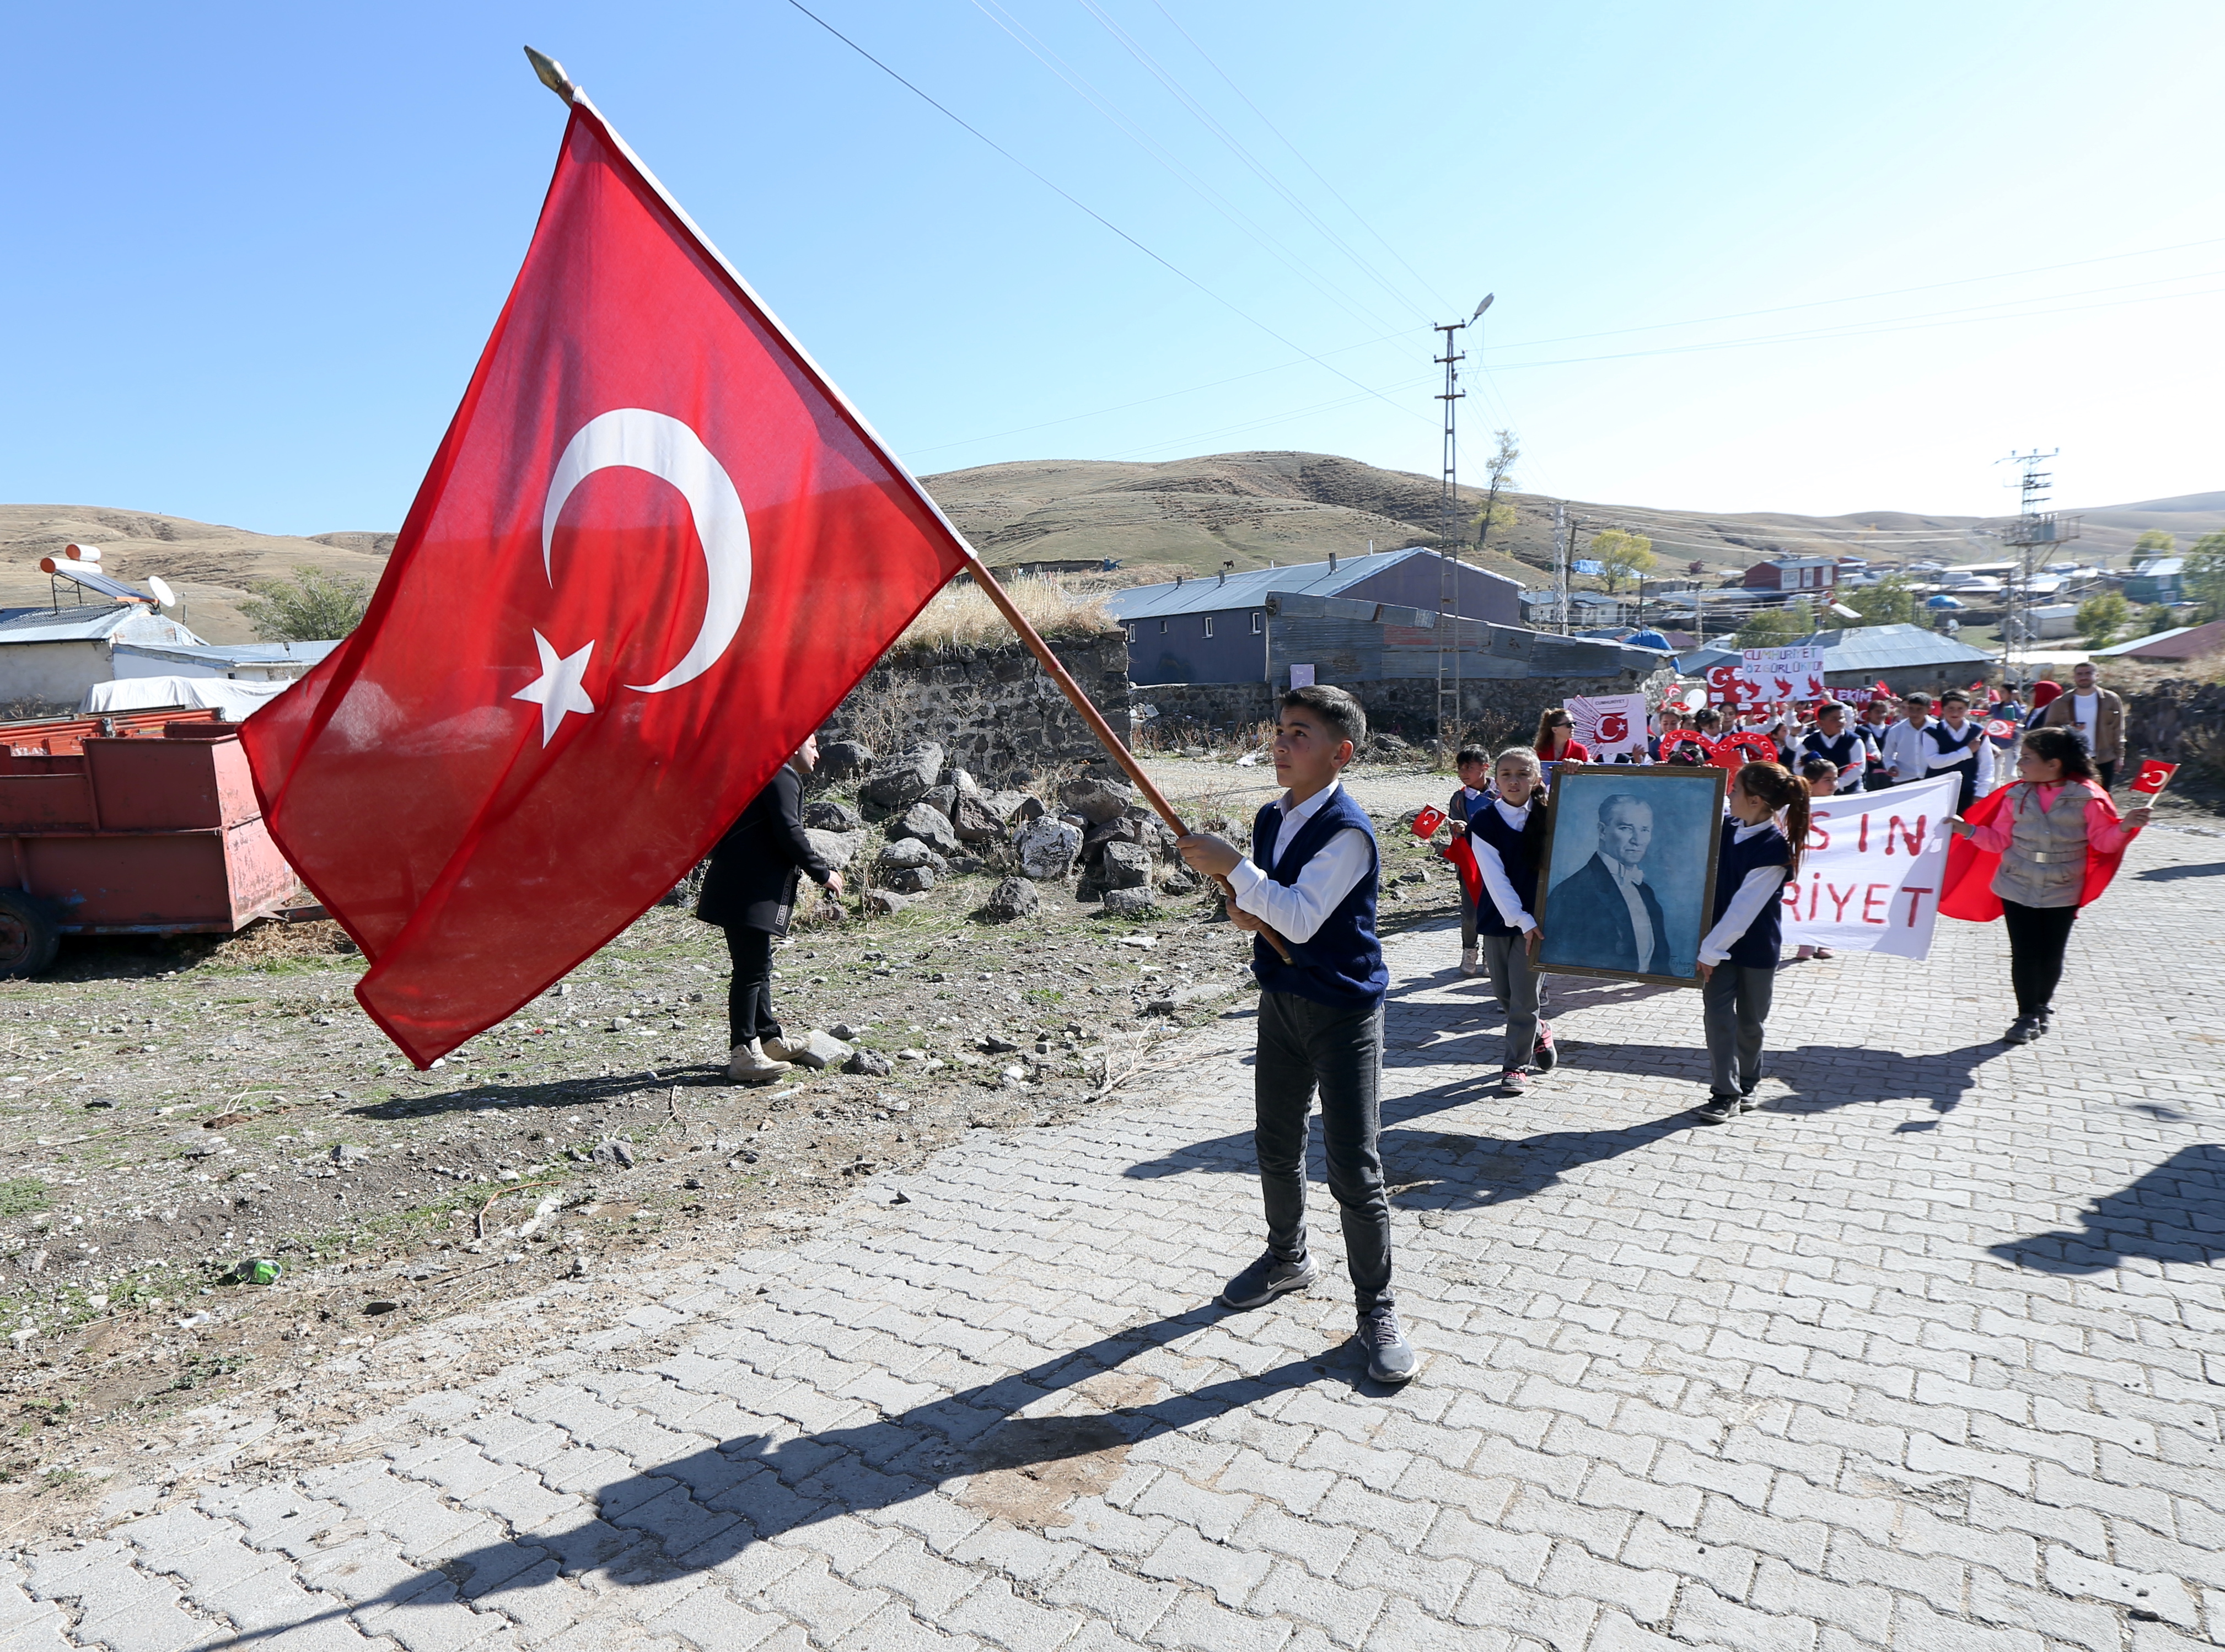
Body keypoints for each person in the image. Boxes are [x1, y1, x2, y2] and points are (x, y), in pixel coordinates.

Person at [1176, 684, 1415, 1385]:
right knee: (1275, 1145)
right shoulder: (1268, 817)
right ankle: (1288, 1258)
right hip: (1281, 1001)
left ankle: (1376, 1307)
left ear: (1340, 754)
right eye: (1280, 730)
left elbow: (1303, 919)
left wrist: (1235, 871)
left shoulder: (1348, 831)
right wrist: (1244, 907)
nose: (1282, 744)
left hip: (1344, 1012)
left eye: (1300, 734)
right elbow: (1269, 910)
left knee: (1353, 1167)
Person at [1948, 725, 2150, 1043]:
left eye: (2027, 758)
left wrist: (2125, 826)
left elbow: (2104, 843)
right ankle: (2026, 1014)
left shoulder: (2089, 796)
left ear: (2053, 763)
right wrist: (1967, 830)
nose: (2020, 765)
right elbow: (1999, 840)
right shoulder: (2016, 794)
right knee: (2025, 952)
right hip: (2016, 883)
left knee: (2051, 953)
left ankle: (2042, 1007)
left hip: (2063, 885)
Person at [696, 734, 843, 1083]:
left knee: (758, 965)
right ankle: (744, 1054)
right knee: (750, 970)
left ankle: (769, 1040)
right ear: (793, 746)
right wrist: (822, 873)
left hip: (741, 888)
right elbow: (788, 831)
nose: (818, 753)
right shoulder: (780, 775)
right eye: (813, 745)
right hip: (746, 891)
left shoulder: (772, 775)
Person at [1692, 762, 1812, 1123]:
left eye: (1735, 789)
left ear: (1756, 800)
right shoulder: (1726, 827)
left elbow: (1743, 911)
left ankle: (1748, 1082)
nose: (1729, 793)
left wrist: (1710, 951)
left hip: (1754, 949)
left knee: (1750, 1021)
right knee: (1717, 1016)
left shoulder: (1774, 849)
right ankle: (1724, 1092)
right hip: (1717, 945)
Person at [1466, 747, 1556, 1096]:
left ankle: (1515, 1066)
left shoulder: (1551, 814)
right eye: (1506, 774)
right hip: (1500, 916)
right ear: (1496, 779)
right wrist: (1519, 918)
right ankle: (1538, 1031)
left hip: (1540, 922)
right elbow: (1494, 877)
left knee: (1524, 997)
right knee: (1504, 995)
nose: (1514, 781)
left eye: (1522, 774)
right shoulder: (1485, 822)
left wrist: (1578, 773)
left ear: (1536, 779)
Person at [1544, 790, 1670, 976]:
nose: (1637, 840)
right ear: (1603, 831)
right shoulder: (1572, 892)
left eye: (1644, 830)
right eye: (1626, 828)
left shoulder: (1645, 891)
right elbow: (1562, 963)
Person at [2041, 661, 2126, 791]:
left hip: (2104, 757)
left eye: (2088, 673)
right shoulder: (2061, 702)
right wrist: (2068, 728)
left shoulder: (2111, 699)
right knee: (2073, 794)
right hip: (2072, 757)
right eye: (2079, 674)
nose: (2083, 677)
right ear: (2074, 677)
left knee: (2103, 794)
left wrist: (2120, 756)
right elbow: (2048, 730)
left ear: (2097, 676)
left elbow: (2118, 729)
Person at [1447, 746, 1492, 977]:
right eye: (1460, 768)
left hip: (1496, 861)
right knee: (1470, 911)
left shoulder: (1501, 794)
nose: (1464, 773)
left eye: (1469, 768)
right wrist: (1458, 828)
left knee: (1496, 908)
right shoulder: (1459, 798)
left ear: (1485, 768)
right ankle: (1469, 951)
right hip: (1470, 863)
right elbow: (1453, 827)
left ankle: (1490, 954)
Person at [1791, 757, 1839, 961]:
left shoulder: (1845, 804)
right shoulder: (1796, 806)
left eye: (1835, 779)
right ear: (1811, 783)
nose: (1834, 785)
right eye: (1827, 780)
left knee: (1829, 900)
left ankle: (1826, 941)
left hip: (1833, 862)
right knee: (1806, 900)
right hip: (1806, 861)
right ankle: (1805, 941)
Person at [1925, 690, 1995, 811]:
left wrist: (1982, 791)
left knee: (1964, 828)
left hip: (1968, 790)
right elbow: (1934, 762)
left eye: (1960, 708)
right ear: (1942, 709)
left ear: (1967, 710)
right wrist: (1967, 752)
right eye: (1950, 708)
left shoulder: (1978, 732)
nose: (1955, 713)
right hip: (1938, 789)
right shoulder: (1931, 732)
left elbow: (1987, 764)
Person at [1798, 701, 1874, 783]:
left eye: (1842, 718)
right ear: (1820, 723)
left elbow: (1859, 768)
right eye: (1834, 719)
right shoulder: (1810, 741)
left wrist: (1837, 784)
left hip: (1850, 792)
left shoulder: (1854, 740)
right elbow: (1798, 767)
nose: (1840, 722)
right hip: (1817, 790)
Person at [1878, 692, 1936, 787]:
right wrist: (1891, 766)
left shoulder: (1938, 728)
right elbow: (1887, 754)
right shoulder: (1896, 730)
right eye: (1911, 709)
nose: (1914, 713)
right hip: (1904, 780)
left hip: (1932, 779)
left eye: (1919, 709)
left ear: (1929, 710)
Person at [1534, 708, 1592, 772]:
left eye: (1574, 723)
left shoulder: (1580, 750)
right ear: (1555, 730)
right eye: (1569, 724)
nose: (1573, 727)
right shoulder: (1538, 751)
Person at [1857, 699, 1895, 789]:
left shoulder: (1892, 730)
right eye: (1877, 712)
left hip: (1888, 770)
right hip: (1868, 771)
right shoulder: (1861, 730)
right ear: (1870, 713)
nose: (1881, 715)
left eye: (1884, 712)